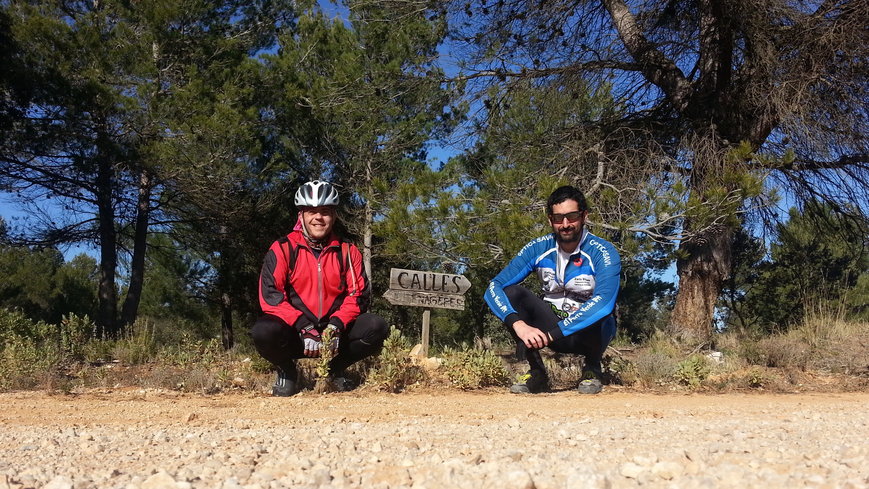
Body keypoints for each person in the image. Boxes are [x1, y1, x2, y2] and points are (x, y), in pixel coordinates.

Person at [252, 180, 389, 396]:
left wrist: (335, 326)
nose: (318, 217)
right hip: (297, 333)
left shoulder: (348, 251)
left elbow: (358, 295)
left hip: (333, 336)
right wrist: (303, 326)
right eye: (311, 212)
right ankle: (287, 372)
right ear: (301, 216)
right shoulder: (283, 248)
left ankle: (333, 371)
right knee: (263, 331)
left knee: (376, 326)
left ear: (333, 216)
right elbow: (271, 296)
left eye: (325, 211)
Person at [484, 185, 620, 394]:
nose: (565, 225)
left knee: (601, 309)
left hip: (589, 332)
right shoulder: (538, 248)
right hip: (551, 326)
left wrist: (552, 335)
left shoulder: (602, 250)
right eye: (558, 218)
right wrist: (518, 324)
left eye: (572, 216)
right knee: (512, 293)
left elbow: (604, 302)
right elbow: (494, 287)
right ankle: (537, 372)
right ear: (550, 220)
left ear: (584, 216)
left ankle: (592, 367)